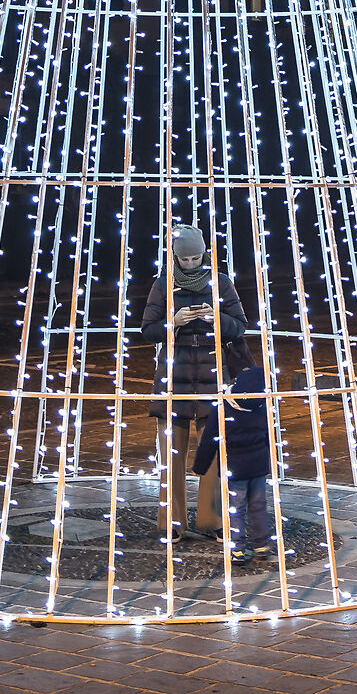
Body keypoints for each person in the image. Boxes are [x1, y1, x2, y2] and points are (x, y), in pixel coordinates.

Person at [134, 223, 250, 542]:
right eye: (184, 260)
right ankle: (171, 523)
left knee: (213, 452)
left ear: (204, 253)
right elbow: (147, 330)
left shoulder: (220, 282)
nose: (190, 264)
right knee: (171, 452)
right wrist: (172, 322)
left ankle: (212, 521)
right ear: (174, 256)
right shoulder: (163, 284)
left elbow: (240, 326)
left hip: (213, 371)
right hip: (174, 373)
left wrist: (216, 318)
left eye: (196, 258)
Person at [195, 360, 275, 562]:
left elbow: (209, 439)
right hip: (258, 467)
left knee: (236, 508)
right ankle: (261, 545)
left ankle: (238, 548)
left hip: (235, 467)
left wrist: (201, 465)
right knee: (258, 506)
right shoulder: (262, 405)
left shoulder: (223, 407)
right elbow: (268, 436)